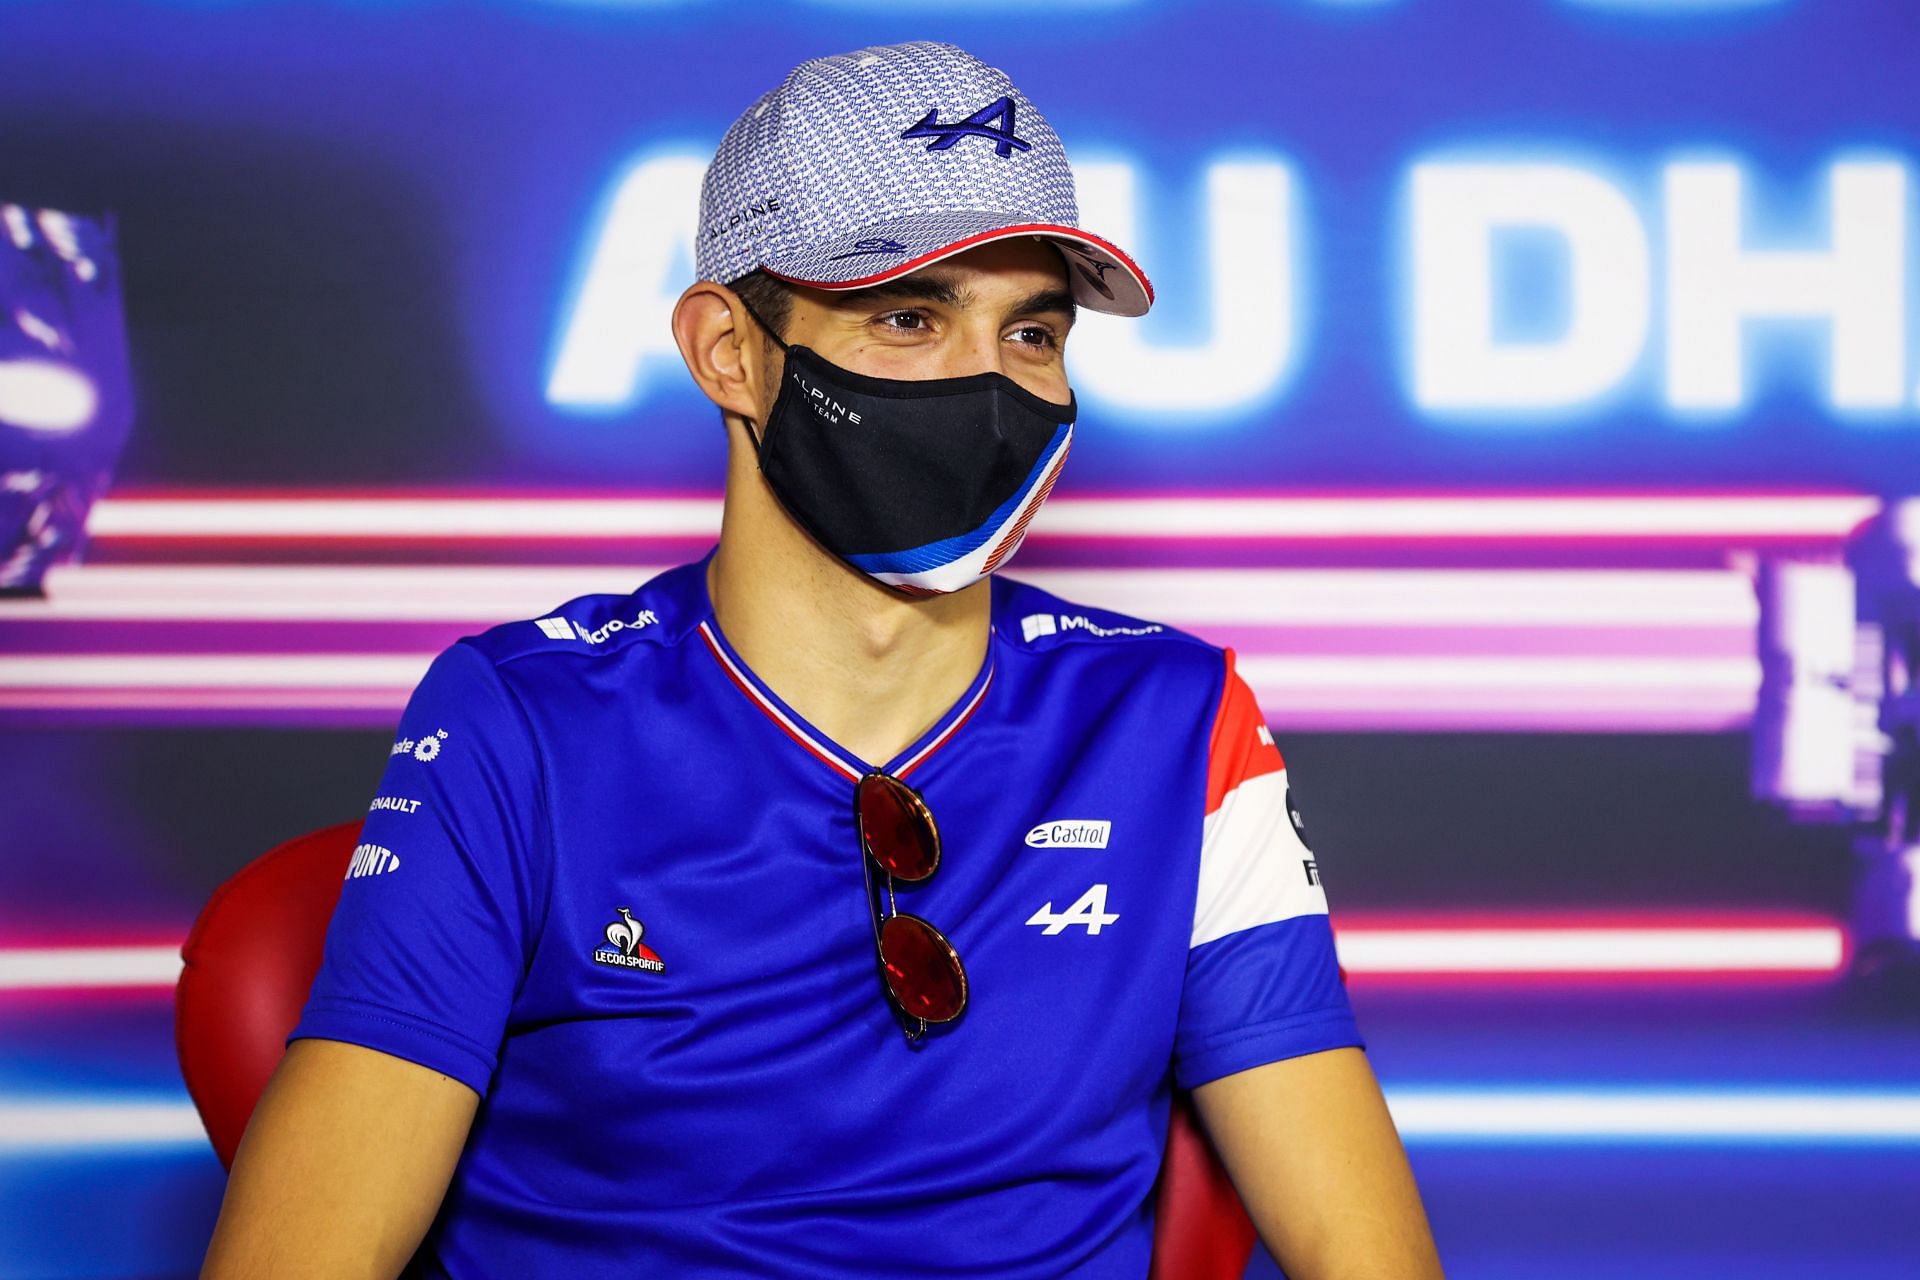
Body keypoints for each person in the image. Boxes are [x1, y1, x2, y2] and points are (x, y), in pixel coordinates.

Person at [200, 40, 1444, 1280]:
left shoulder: (1175, 720)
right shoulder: (522, 716)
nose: (989, 384)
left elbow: (1358, 1242)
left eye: (1032, 332)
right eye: (909, 317)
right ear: (728, 351)